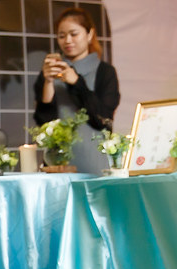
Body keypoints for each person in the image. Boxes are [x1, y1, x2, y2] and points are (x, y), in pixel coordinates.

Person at [33, 7, 120, 174]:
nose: (67, 40)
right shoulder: (48, 72)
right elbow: (43, 122)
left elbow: (102, 119)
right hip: (57, 164)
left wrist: (77, 83)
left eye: (74, 34)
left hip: (95, 161)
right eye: (61, 36)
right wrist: (48, 82)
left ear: (89, 34)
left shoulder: (105, 72)